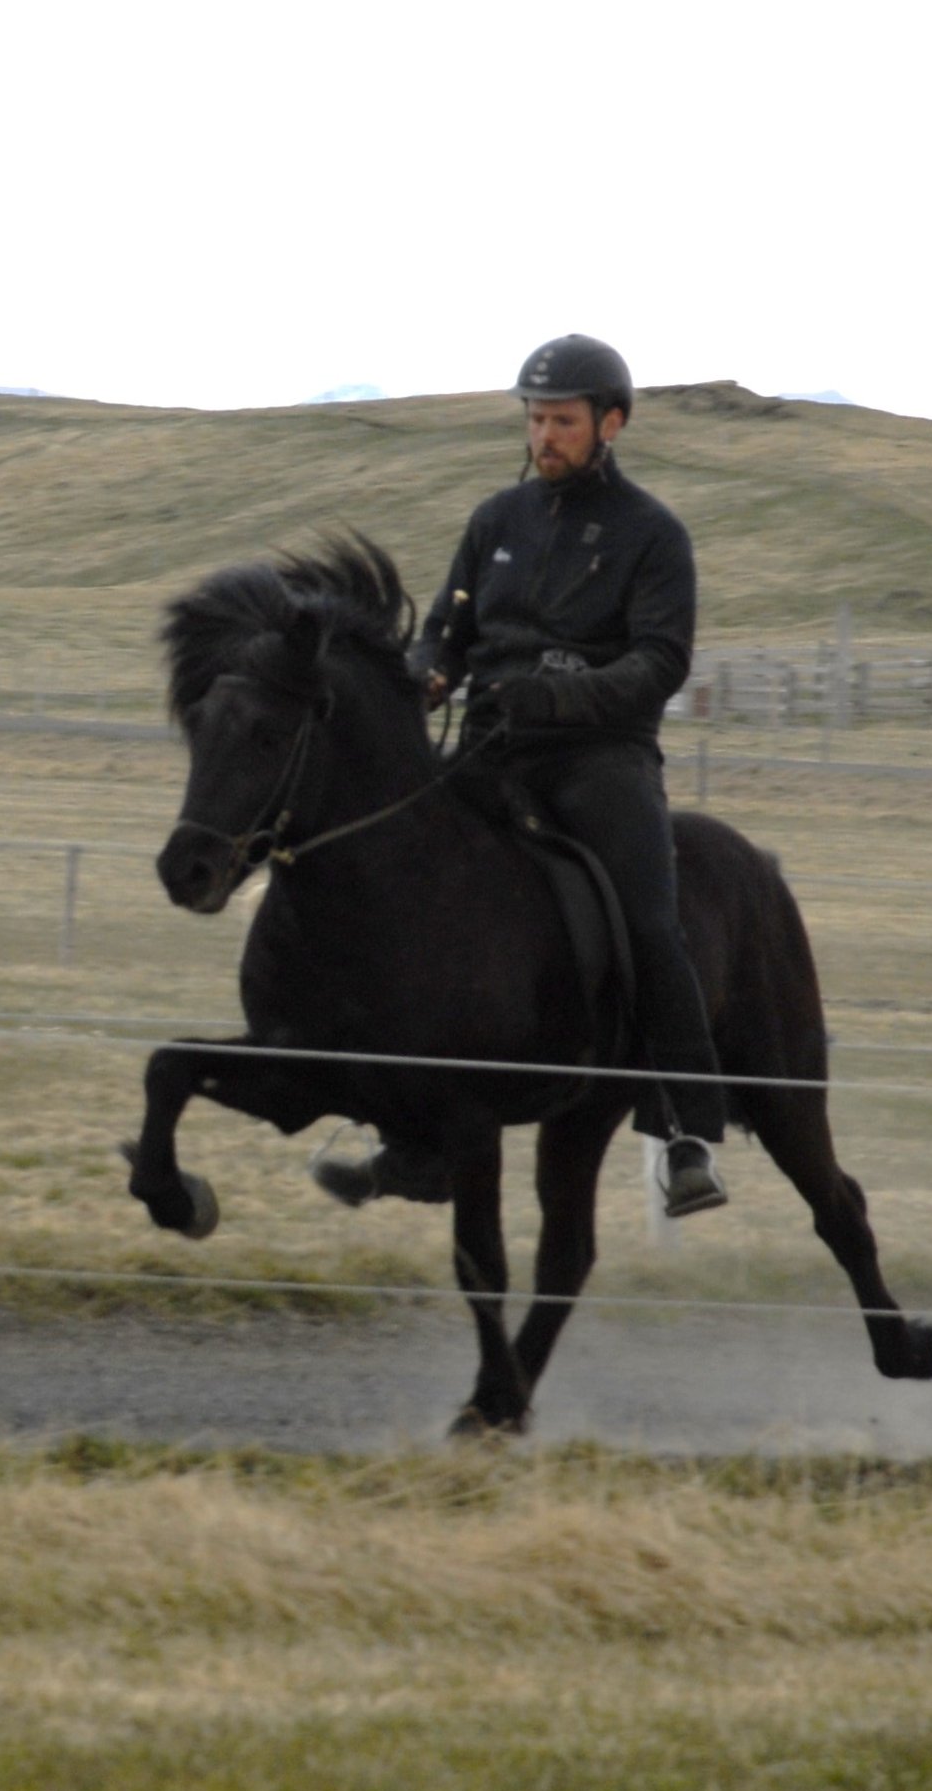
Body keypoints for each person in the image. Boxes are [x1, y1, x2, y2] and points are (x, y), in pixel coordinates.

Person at [313, 333, 730, 1218]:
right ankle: (399, 1116)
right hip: (491, 746)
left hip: (601, 759)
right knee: (397, 877)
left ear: (610, 423)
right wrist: (426, 672)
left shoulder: (653, 534)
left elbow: (661, 661)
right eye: (536, 418)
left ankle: (686, 1128)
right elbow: (444, 634)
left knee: (650, 920)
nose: (545, 435)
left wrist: (560, 697)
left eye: (564, 420)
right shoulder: (494, 521)